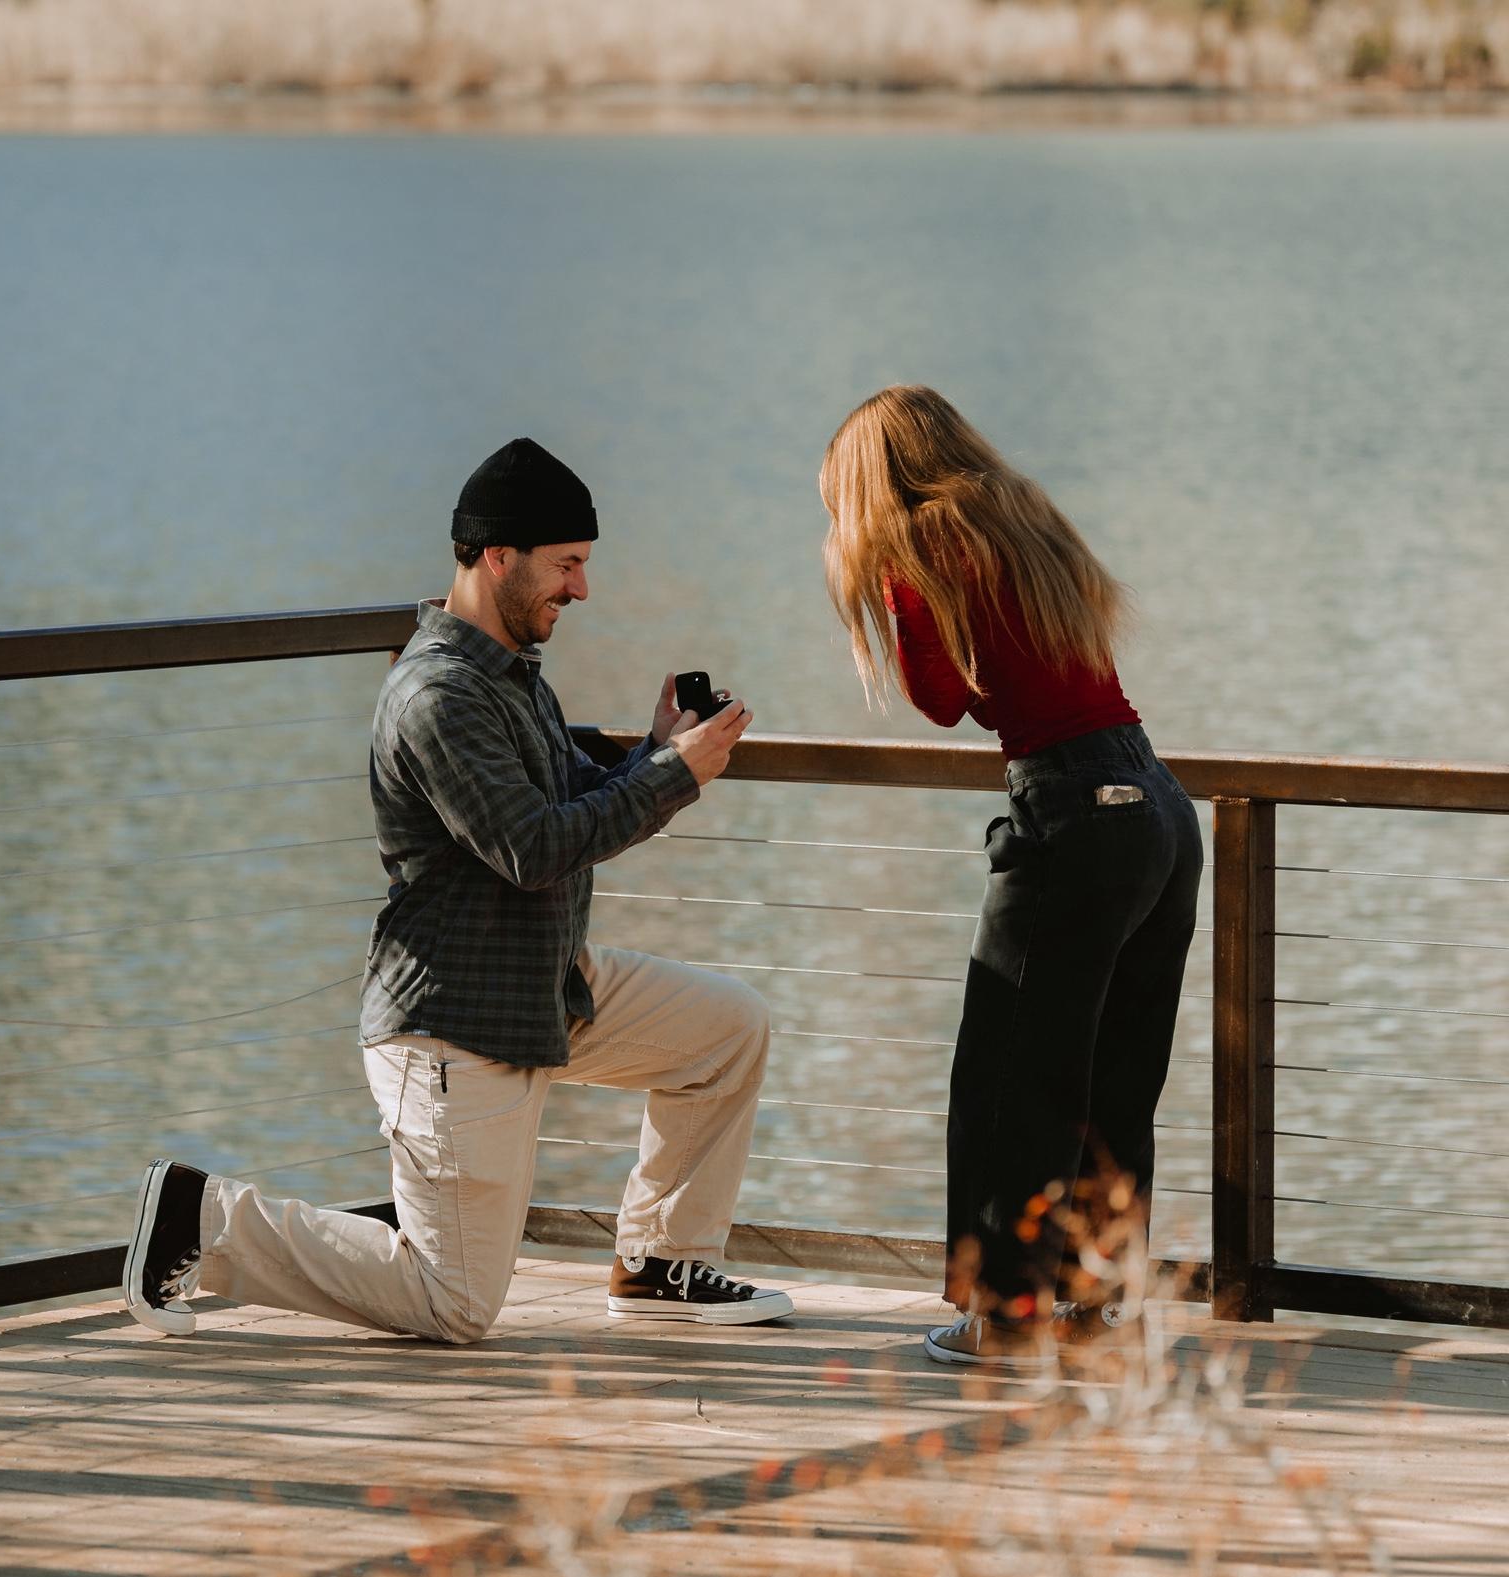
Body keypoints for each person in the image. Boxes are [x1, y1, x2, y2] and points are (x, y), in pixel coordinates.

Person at [124, 437, 793, 1342]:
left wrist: (654, 752)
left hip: (544, 986)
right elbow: (533, 849)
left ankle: (659, 1264)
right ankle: (200, 1219)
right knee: (453, 1304)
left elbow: (569, 803)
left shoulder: (510, 676)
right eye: (567, 565)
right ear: (497, 556)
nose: (582, 589)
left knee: (724, 1031)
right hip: (455, 1026)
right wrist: (673, 777)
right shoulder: (437, 695)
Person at [821, 386, 1202, 1365]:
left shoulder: (921, 540)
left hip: (1075, 813)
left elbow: (942, 699)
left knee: (1009, 1075)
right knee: (1115, 1079)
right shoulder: (1023, 514)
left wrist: (881, 580)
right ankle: (1099, 1311)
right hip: (1158, 803)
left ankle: (1008, 1319)